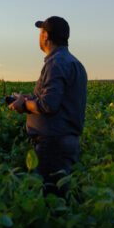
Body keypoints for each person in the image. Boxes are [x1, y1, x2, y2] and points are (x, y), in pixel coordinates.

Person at [8, 16, 87, 199]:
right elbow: (59, 99)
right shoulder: (75, 63)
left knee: (50, 201)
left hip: (53, 144)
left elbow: (48, 105)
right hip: (67, 141)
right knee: (60, 198)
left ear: (45, 36)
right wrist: (29, 98)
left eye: (41, 32)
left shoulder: (55, 62)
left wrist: (23, 105)